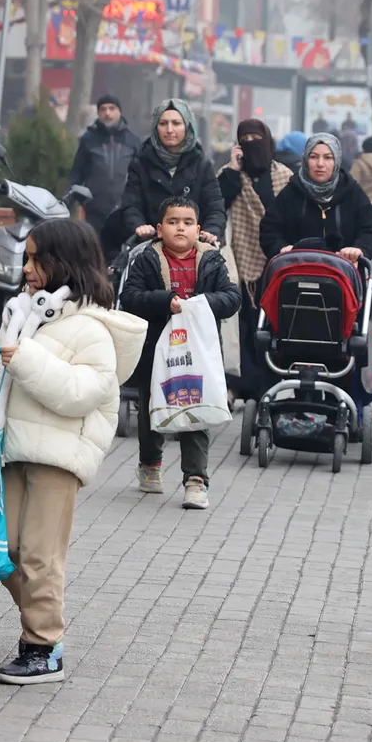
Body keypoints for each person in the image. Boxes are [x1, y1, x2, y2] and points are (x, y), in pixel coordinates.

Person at [0, 220, 145, 685]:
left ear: (68, 264)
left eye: (38, 259)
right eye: (27, 257)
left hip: (59, 458)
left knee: (40, 555)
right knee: (5, 550)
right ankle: (48, 632)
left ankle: (41, 647)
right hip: (14, 447)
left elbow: (80, 394)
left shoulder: (91, 329)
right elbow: (1, 384)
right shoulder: (24, 314)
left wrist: (24, 358)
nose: (28, 268)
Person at [120, 198, 241, 510]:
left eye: (187, 222)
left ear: (198, 230)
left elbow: (231, 297)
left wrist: (203, 303)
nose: (180, 227)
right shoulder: (147, 259)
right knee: (151, 410)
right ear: (159, 229)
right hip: (156, 352)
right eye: (173, 222)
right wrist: (166, 301)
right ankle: (150, 464)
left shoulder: (211, 260)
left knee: (194, 408)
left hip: (197, 352)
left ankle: (196, 481)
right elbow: (130, 297)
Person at [218, 119, 292, 402]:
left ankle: (268, 387)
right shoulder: (228, 174)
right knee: (241, 326)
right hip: (238, 262)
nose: (251, 143)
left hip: (275, 261)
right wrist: (234, 171)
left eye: (256, 137)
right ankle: (240, 384)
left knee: (270, 326)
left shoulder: (284, 176)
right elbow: (216, 204)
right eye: (245, 138)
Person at [116, 99, 226, 246]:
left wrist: (211, 230)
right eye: (163, 123)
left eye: (176, 123)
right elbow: (130, 205)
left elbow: (215, 206)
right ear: (155, 127)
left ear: (188, 126)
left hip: (193, 246)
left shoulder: (201, 164)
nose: (169, 130)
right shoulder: (141, 162)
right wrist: (139, 226)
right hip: (150, 244)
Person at [260, 133, 372, 263]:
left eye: (328, 157)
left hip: (343, 274)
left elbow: (371, 228)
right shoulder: (291, 191)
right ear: (305, 159)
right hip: (296, 272)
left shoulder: (352, 192)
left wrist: (359, 249)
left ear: (337, 161)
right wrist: (282, 248)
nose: (320, 164)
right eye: (313, 157)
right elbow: (269, 229)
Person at [68, 94, 142, 225]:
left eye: (112, 108)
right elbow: (77, 173)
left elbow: (141, 175)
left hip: (125, 211)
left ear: (119, 111)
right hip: (94, 210)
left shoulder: (133, 141)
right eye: (103, 109)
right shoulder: (88, 140)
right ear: (98, 113)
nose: (107, 113)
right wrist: (75, 201)